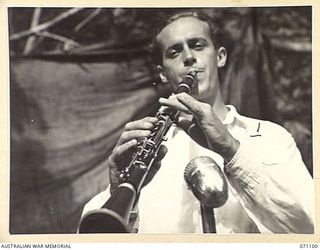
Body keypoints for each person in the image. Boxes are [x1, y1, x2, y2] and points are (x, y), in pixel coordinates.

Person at [81, 11, 314, 233]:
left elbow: (309, 227)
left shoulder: (271, 136)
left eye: (197, 45)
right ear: (163, 74)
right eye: (174, 52)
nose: (189, 57)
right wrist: (118, 190)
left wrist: (232, 150)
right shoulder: (144, 149)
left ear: (220, 57)